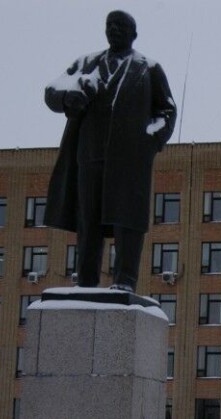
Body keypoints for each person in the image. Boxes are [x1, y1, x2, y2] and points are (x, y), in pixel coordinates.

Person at [44, 10, 176, 292]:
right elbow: (52, 91)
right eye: (110, 25)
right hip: (90, 157)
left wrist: (150, 142)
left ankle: (125, 281)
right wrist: (70, 97)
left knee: (127, 220)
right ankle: (87, 282)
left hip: (129, 161)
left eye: (121, 26)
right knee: (87, 220)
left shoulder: (148, 68)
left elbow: (167, 110)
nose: (114, 30)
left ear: (134, 34)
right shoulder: (86, 64)